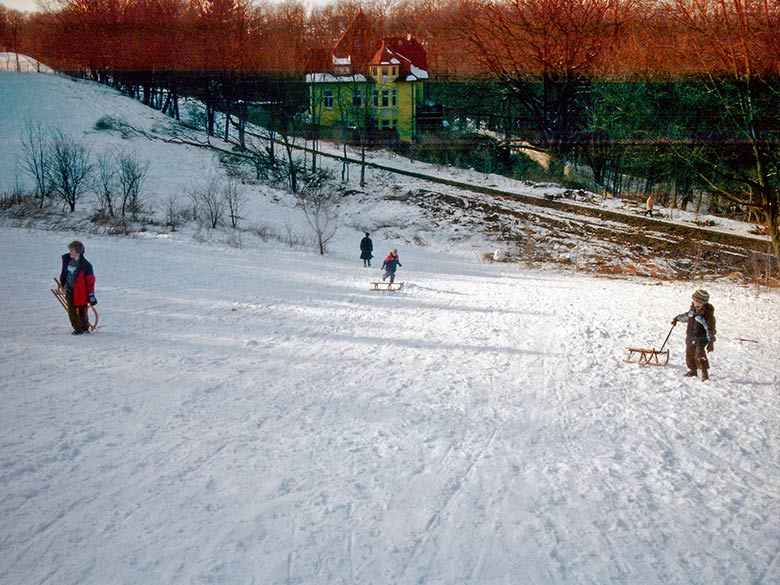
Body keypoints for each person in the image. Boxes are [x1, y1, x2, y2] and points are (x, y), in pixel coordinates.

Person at [671, 289, 716, 381]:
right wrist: (677, 318)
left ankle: (704, 373)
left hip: (701, 338)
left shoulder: (706, 315)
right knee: (689, 355)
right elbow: (687, 316)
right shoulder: (693, 310)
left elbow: (710, 329)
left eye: (695, 300)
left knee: (699, 355)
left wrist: (711, 342)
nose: (693, 301)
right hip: (691, 336)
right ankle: (692, 370)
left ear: (701, 302)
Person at [59, 240, 96, 335]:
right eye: (70, 250)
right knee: (71, 310)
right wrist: (62, 284)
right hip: (69, 290)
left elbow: (90, 281)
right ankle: (77, 328)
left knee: (82, 310)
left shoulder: (86, 265)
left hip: (80, 292)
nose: (70, 252)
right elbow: (65, 274)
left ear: (78, 251)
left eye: (72, 250)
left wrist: (91, 296)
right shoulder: (68, 261)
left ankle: (85, 328)